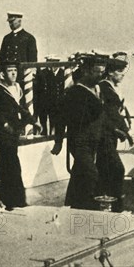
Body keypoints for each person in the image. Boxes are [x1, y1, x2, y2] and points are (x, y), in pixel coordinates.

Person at [51, 54, 107, 210]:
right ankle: (88, 207)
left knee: (79, 172)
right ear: (87, 71)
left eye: (102, 72)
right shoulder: (75, 93)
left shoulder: (98, 89)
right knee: (90, 173)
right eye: (97, 72)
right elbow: (61, 118)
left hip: (94, 140)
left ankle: (72, 204)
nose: (100, 76)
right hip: (79, 141)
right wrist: (58, 141)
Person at [0, 61, 39, 209]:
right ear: (2, 74)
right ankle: (16, 200)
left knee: (5, 164)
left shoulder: (17, 88)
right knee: (12, 164)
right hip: (3, 133)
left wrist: (33, 121)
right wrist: (4, 124)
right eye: (10, 70)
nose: (13, 73)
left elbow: (21, 107)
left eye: (15, 71)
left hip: (14, 131)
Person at [97, 58, 132, 213]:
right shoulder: (105, 88)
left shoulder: (111, 87)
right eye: (119, 71)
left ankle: (103, 204)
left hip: (111, 136)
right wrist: (122, 129)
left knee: (105, 169)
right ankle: (116, 206)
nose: (122, 74)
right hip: (105, 135)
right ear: (110, 72)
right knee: (117, 169)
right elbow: (108, 113)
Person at [34, 55, 63, 135]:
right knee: (43, 121)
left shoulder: (62, 73)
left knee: (54, 122)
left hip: (56, 103)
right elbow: (38, 90)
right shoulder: (42, 73)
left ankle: (53, 135)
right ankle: (44, 135)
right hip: (44, 103)